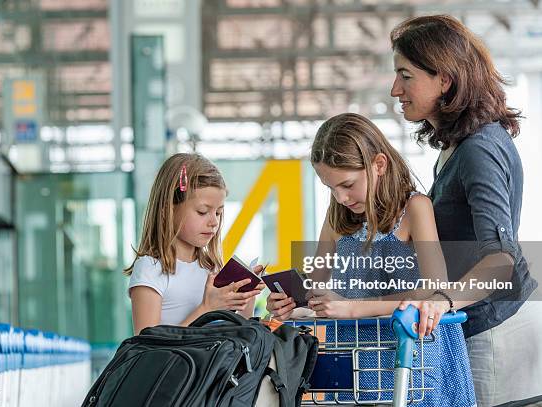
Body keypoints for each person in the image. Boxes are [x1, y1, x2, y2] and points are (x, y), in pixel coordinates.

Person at [267, 112, 476, 406]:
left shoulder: (415, 208)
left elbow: (434, 290)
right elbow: (315, 291)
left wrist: (352, 308)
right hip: (356, 358)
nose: (340, 198)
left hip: (418, 357)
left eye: (348, 184)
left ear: (379, 165)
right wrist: (292, 303)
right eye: (331, 188)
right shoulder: (337, 219)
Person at [389, 15, 542, 406]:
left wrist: (441, 300)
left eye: (406, 76)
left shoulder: (479, 149)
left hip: (497, 329)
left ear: (445, 80)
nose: (395, 89)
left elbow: (500, 260)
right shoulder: (457, 147)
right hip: (479, 324)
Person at [126, 153, 262, 335]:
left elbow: (236, 333)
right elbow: (148, 349)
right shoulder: (150, 269)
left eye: (219, 213)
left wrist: (247, 296)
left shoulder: (212, 269)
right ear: (168, 209)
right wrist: (206, 309)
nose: (214, 222)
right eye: (202, 211)